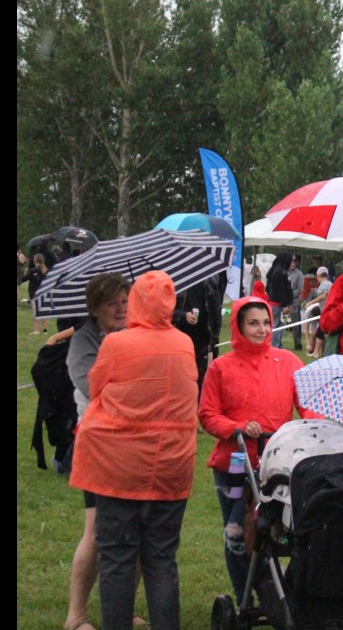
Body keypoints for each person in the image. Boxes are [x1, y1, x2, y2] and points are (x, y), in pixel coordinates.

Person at [69, 271, 198, 630]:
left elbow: (95, 387)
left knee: (117, 558)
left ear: (137, 301)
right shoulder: (184, 343)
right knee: (161, 559)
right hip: (171, 467)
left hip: (117, 470)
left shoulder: (116, 344)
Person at [198, 296, 319, 603]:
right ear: (238, 325)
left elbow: (308, 406)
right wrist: (235, 427)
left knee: (274, 534)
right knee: (238, 534)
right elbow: (208, 414)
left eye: (266, 322)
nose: (262, 329)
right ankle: (245, 598)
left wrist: (317, 428)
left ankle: (274, 595)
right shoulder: (221, 368)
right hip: (235, 466)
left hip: (278, 467)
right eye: (253, 323)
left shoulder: (288, 362)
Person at [63, 273, 139, 630]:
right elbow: (96, 390)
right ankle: (75, 615)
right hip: (98, 443)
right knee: (96, 533)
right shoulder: (84, 341)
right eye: (113, 304)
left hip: (136, 442)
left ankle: (125, 607)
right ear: (95, 308)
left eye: (125, 301)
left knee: (140, 529)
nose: (121, 309)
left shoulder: (138, 335)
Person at [265, 253, 294, 348]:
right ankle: (275, 346)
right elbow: (281, 290)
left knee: (280, 326)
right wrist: (285, 304)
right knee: (277, 326)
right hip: (278, 305)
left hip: (276, 303)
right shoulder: (280, 273)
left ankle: (277, 344)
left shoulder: (277, 272)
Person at [304, 266, 332, 357]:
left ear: (318, 276)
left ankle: (316, 353)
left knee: (320, 333)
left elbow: (323, 296)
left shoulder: (322, 285)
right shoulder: (331, 284)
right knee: (322, 334)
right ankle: (322, 353)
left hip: (326, 312)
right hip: (330, 312)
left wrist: (310, 303)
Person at [28, 252, 49, 334]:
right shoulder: (46, 270)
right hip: (43, 293)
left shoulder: (33, 271)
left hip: (35, 294)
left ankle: (36, 330)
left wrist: (30, 296)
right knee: (42, 312)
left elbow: (31, 284)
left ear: (35, 260)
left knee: (35, 313)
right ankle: (45, 330)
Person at [288, 255, 304, 349]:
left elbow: (300, 290)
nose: (293, 263)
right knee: (281, 323)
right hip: (285, 302)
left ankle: (297, 343)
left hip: (294, 302)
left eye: (294, 262)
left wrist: (289, 294)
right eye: (291, 262)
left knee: (295, 324)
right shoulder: (285, 272)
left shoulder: (299, 274)